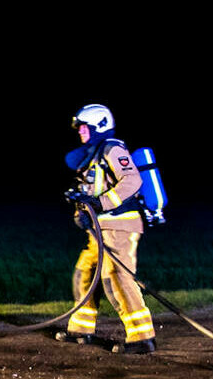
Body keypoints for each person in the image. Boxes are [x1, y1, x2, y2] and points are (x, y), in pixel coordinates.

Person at [59, 103, 156, 354]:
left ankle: (142, 338)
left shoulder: (113, 149)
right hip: (100, 231)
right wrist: (82, 212)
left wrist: (100, 203)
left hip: (121, 228)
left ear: (99, 126)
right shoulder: (92, 155)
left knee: (117, 277)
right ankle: (81, 330)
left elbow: (133, 180)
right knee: (85, 272)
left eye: (84, 127)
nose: (80, 132)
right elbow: (90, 191)